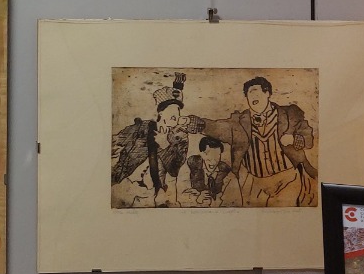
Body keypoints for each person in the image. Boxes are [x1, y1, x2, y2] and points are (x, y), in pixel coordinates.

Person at [182, 76, 316, 207]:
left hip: (286, 179)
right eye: (249, 94)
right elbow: (216, 127)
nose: (252, 97)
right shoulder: (239, 122)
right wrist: (190, 122)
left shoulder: (289, 114)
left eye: (255, 92)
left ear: (267, 93)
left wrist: (296, 139)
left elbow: (307, 135)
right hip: (254, 183)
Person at [111, 74, 188, 207]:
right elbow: (117, 139)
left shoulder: (180, 137)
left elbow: (175, 170)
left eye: (178, 111)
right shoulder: (142, 127)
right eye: (171, 111)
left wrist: (165, 146)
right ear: (161, 113)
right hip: (125, 183)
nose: (175, 115)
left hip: (156, 192)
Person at [181, 135, 243, 208]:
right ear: (202, 154)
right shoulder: (190, 166)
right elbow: (180, 196)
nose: (213, 161)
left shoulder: (227, 173)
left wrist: (215, 201)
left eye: (217, 156)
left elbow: (236, 201)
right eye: (209, 156)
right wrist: (197, 199)